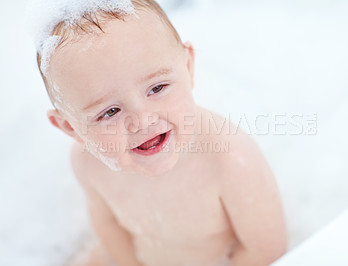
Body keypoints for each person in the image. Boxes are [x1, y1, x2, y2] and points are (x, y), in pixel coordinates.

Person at [32, 0, 287, 265]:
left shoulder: (230, 160)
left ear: (188, 67)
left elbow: (266, 249)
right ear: (71, 128)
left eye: (157, 88)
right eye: (110, 112)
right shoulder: (87, 163)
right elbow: (108, 225)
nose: (143, 121)